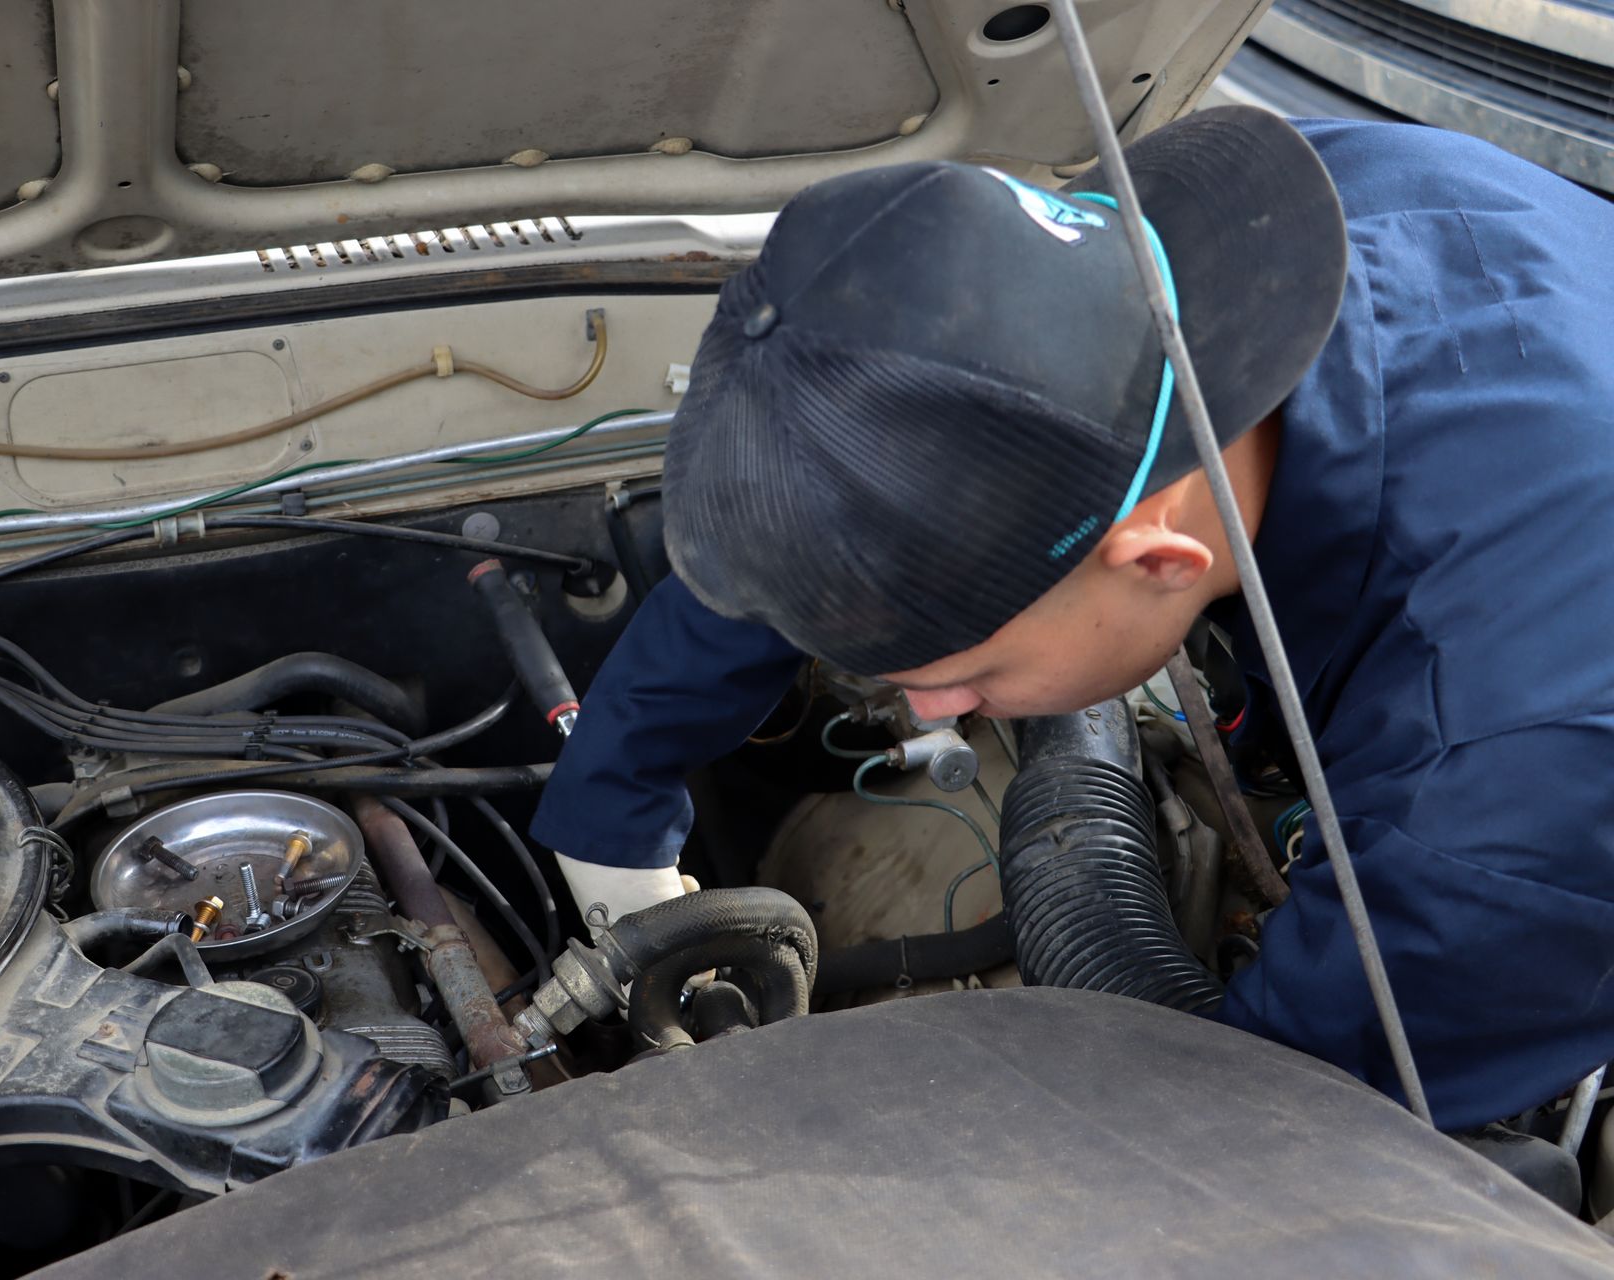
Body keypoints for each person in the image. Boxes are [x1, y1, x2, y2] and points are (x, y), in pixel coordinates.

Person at [528, 106, 1614, 1132]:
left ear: (1157, 561)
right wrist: (617, 783)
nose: (927, 707)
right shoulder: (1236, 240)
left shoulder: (1499, 805)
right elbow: (883, 433)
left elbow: (1250, 1139)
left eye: (971, 675)